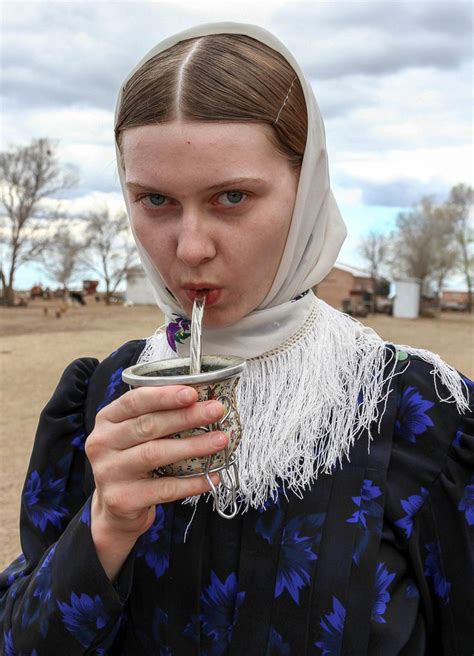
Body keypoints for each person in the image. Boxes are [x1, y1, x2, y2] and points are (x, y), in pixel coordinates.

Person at [1, 21, 473, 656]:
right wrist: (104, 530)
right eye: (156, 201)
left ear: (305, 191)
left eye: (231, 197)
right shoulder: (101, 401)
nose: (190, 248)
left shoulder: (424, 418)